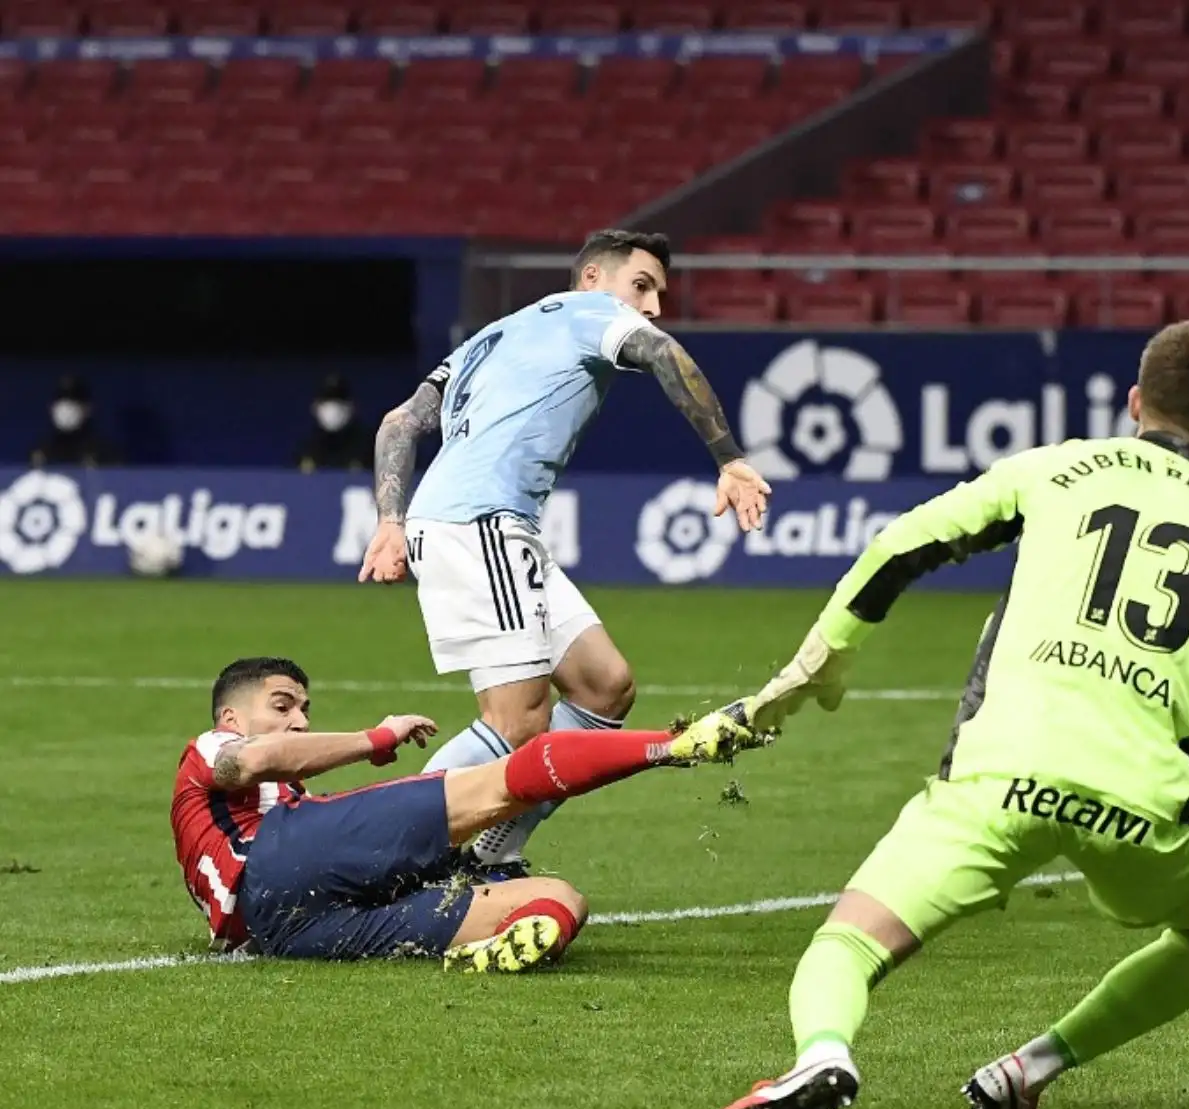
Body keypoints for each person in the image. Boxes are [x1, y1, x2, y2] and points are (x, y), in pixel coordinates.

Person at [694, 319, 1189, 1109]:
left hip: (996, 777)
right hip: (1141, 806)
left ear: (1134, 402)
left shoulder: (1056, 467)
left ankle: (821, 1055)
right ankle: (1028, 1067)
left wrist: (817, 663)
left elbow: (900, 544)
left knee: (851, 941)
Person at [357, 229, 772, 880]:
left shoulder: (491, 336)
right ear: (592, 280)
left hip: (482, 522)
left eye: (660, 292)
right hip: (482, 522)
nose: (653, 304)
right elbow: (666, 356)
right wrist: (731, 459)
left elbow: (398, 422)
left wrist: (390, 519)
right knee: (518, 722)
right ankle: (381, 857)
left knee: (605, 687)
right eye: (642, 285)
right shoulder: (592, 313)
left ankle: (494, 852)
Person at [172, 656, 761, 971]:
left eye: (303, 707)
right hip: (274, 868)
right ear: (229, 718)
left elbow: (278, 761)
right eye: (282, 705)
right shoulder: (211, 748)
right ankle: (676, 744)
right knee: (498, 786)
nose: (299, 719)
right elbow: (256, 760)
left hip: (286, 934)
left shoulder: (282, 799)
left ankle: (517, 937)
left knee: (557, 898)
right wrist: (374, 738)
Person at [30, 375, 119, 468]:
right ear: (51, 408)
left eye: (73, 402)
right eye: (61, 401)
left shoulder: (103, 452)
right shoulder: (41, 452)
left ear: (88, 409)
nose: (66, 408)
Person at [296, 374, 369, 472]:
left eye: (339, 400)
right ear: (315, 407)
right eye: (326, 400)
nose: (333, 407)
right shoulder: (306, 448)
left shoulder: (366, 447)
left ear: (352, 407)